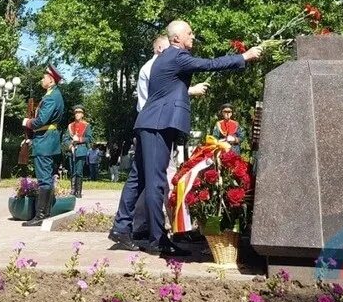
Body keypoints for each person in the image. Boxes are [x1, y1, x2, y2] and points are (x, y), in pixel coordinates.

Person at [109, 20, 262, 256]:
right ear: (176, 38)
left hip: (150, 124)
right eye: (189, 33)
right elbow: (211, 64)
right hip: (158, 125)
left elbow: (170, 90)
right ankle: (157, 240)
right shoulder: (177, 56)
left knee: (138, 178)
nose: (193, 35)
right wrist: (244, 57)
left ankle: (121, 228)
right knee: (155, 181)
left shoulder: (166, 58)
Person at [130, 34, 209, 242]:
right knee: (155, 180)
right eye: (166, 48)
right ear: (158, 48)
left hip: (160, 125)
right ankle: (152, 229)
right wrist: (190, 91)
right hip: (154, 126)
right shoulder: (152, 67)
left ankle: (157, 227)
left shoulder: (161, 65)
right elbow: (158, 98)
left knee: (153, 180)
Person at [21, 65, 64, 227]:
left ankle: (40, 215)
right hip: (47, 139)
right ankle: (45, 212)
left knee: (44, 179)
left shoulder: (51, 97)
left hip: (45, 141)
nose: (42, 79)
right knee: (47, 178)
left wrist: (27, 122)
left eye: (44, 77)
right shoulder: (53, 95)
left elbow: (41, 121)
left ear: (51, 80)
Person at [63, 105, 92, 198]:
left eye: (79, 112)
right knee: (72, 171)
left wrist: (79, 139)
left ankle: (78, 191)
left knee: (79, 171)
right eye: (76, 112)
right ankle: (72, 190)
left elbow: (89, 138)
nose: (77, 114)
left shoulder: (86, 125)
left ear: (82, 114)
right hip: (72, 150)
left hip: (81, 150)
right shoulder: (70, 126)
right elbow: (65, 139)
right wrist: (70, 145)